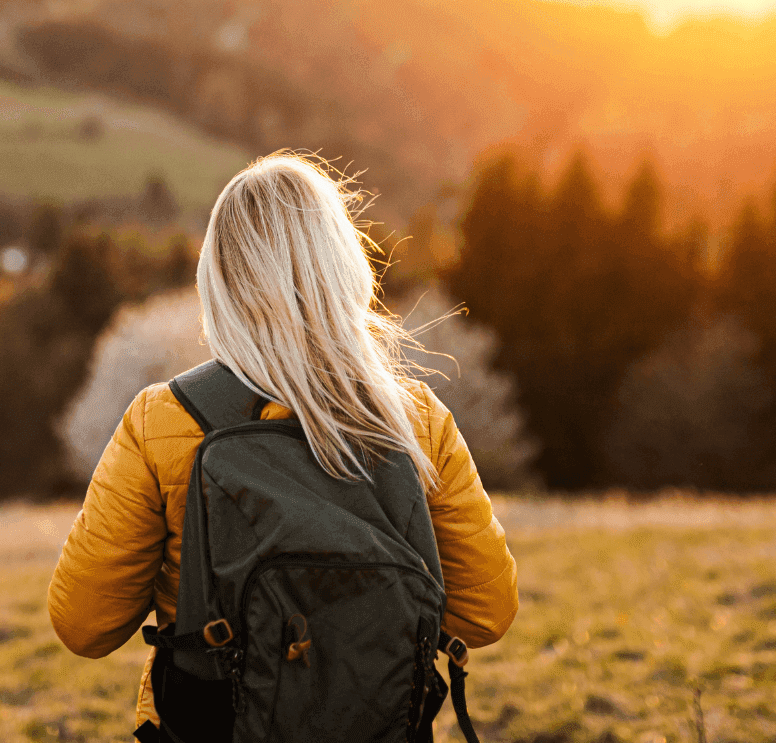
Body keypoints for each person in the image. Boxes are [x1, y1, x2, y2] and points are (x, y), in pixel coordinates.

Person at [48, 152, 518, 739]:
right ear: (345, 269)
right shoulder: (416, 420)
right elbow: (487, 611)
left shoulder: (163, 421)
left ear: (218, 281)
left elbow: (83, 624)